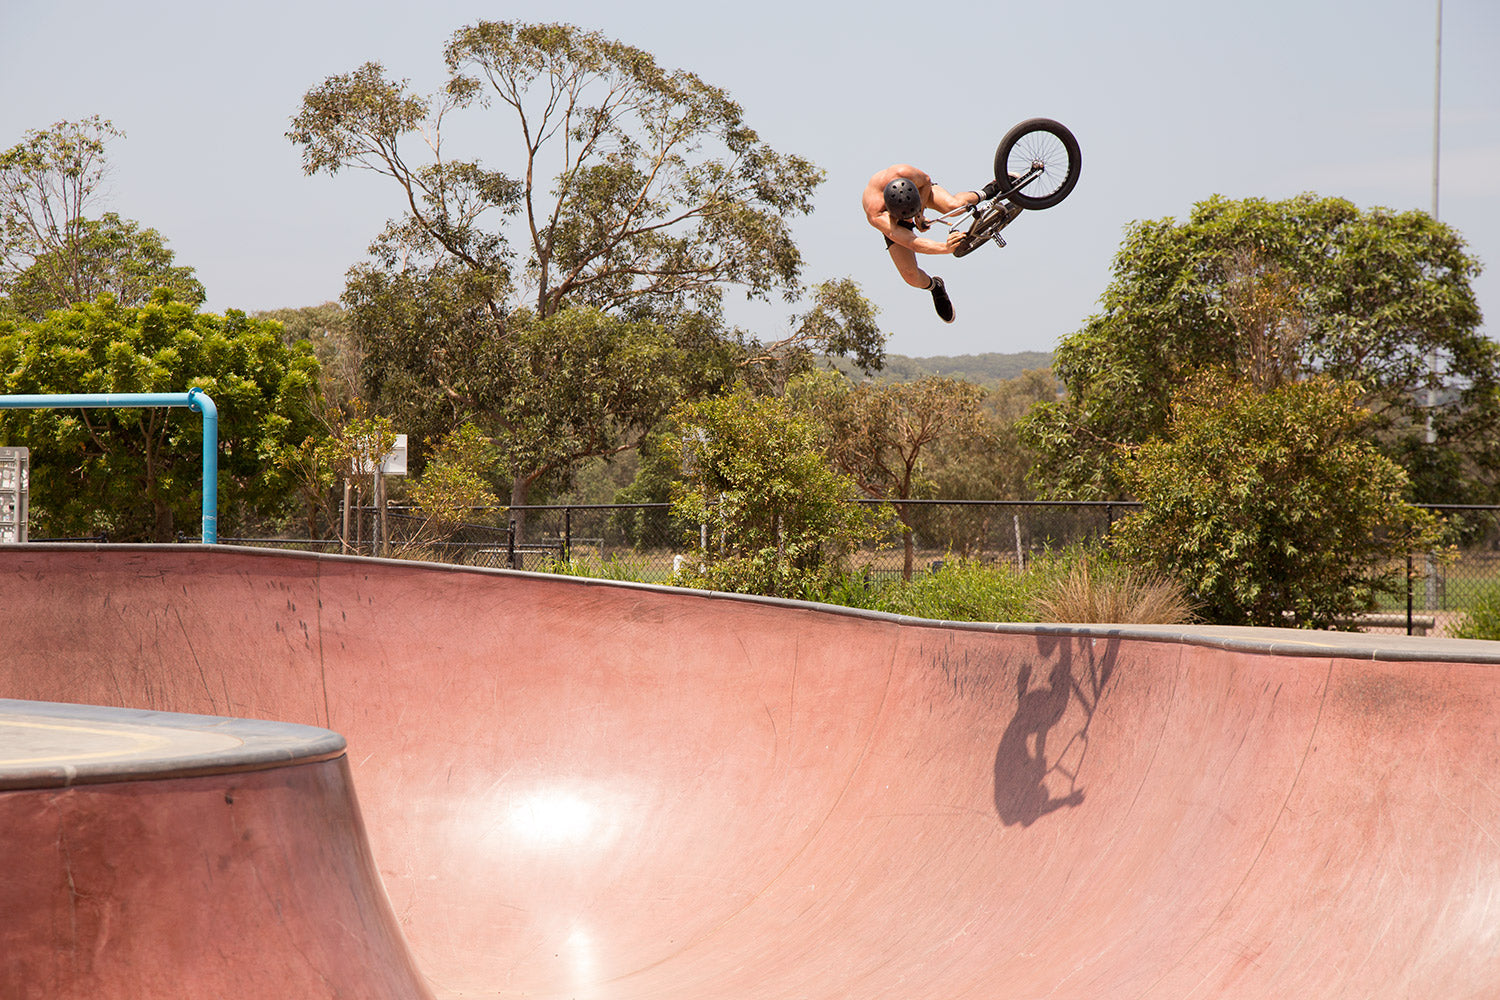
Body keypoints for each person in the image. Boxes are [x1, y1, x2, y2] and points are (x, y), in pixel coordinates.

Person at [862, 165, 1007, 323]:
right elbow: (912, 242)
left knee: (954, 206)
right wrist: (946, 248)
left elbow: (925, 181)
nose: (910, 220)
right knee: (910, 276)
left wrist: (920, 213)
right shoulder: (876, 214)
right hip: (895, 222)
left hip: (920, 195)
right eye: (908, 218)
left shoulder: (902, 172)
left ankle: (991, 189)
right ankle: (935, 286)